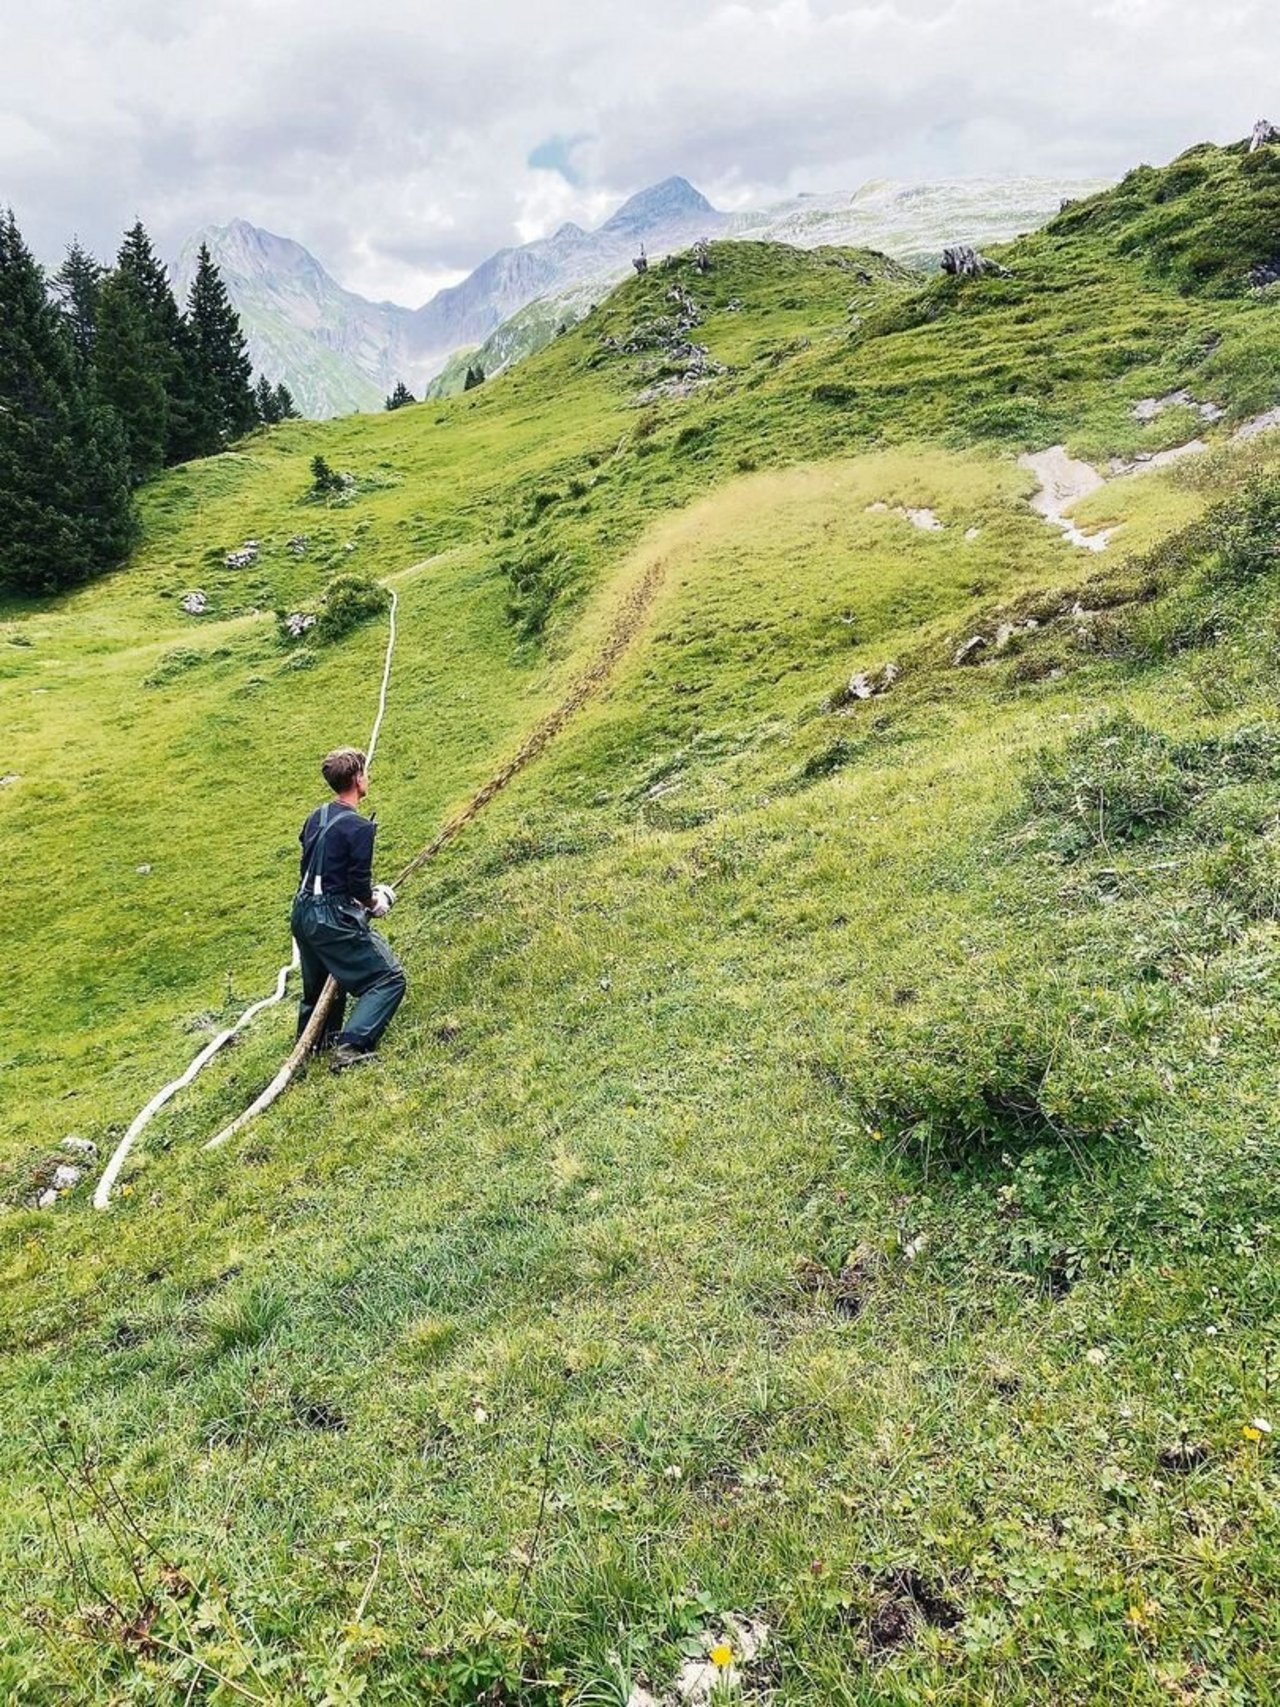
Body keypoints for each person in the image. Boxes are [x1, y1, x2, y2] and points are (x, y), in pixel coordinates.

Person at [292, 746, 406, 1071]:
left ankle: (314, 1045)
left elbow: (315, 860)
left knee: (318, 986)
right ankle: (351, 1047)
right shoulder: (359, 828)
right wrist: (376, 902)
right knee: (388, 978)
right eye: (365, 773)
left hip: (302, 911)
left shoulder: (317, 816)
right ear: (358, 779)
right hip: (330, 915)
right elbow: (358, 887)